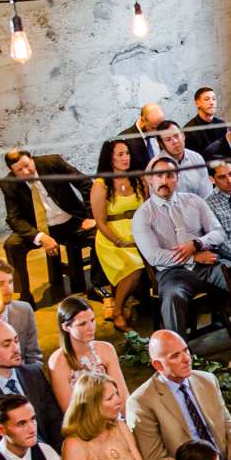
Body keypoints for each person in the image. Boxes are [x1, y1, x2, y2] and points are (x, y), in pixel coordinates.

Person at [125, 330, 231, 460]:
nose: (187, 359)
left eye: (186, 350)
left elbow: (229, 428)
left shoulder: (207, 380)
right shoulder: (141, 402)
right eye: (175, 356)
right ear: (158, 365)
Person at [133, 152, 231, 338]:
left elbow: (219, 233)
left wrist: (197, 244)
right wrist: (192, 256)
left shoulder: (194, 201)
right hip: (172, 273)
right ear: (150, 179)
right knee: (172, 298)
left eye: (170, 175)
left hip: (207, 264)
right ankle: (178, 353)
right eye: (159, 176)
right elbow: (154, 256)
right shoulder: (143, 215)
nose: (165, 180)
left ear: (177, 178)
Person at [1, 150, 92, 304]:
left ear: (31, 159)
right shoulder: (8, 184)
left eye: (27, 165)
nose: (25, 172)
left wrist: (91, 216)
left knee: (101, 235)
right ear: (12, 171)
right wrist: (41, 237)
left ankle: (97, 285)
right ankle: (24, 295)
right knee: (12, 245)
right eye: (19, 170)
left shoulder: (53, 163)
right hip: (39, 227)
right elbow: (13, 218)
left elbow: (85, 183)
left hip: (71, 220)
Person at [0, 319, 62, 456]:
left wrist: (56, 458)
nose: (16, 348)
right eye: (6, 344)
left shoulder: (34, 373)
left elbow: (55, 421)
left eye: (16, 341)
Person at [88, 136, 150, 330]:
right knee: (135, 266)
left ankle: (133, 300)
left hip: (138, 232)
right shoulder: (101, 185)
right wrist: (118, 241)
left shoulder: (139, 179)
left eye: (127, 153)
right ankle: (118, 311)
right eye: (120, 154)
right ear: (110, 158)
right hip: (112, 237)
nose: (126, 158)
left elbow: (148, 208)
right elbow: (100, 221)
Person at [46, 298, 127, 413]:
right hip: (84, 425)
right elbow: (70, 412)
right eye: (82, 324)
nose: (91, 327)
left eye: (92, 320)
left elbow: (123, 394)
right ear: (66, 327)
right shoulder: (58, 362)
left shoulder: (106, 349)